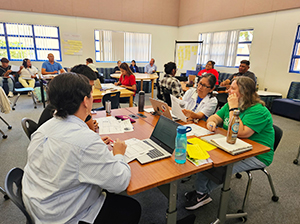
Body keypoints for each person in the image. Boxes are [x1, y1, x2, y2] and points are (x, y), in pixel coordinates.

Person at [22, 73, 141, 224]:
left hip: (39, 205)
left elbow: (69, 147)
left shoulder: (43, 129)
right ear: (86, 101)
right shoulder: (85, 141)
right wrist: (118, 154)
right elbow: (120, 183)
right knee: (132, 208)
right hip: (63, 216)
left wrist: (92, 146)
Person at [184, 76, 274, 211]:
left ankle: (202, 193)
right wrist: (212, 122)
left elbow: (240, 132)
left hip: (257, 154)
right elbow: (215, 117)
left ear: (243, 93)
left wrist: (233, 108)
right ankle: (200, 191)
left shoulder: (259, 110)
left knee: (221, 168)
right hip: (232, 146)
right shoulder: (229, 105)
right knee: (203, 157)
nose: (228, 91)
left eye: (232, 88)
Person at [38, 65, 99, 132]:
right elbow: (91, 130)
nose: (91, 92)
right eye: (89, 87)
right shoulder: (74, 105)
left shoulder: (62, 99)